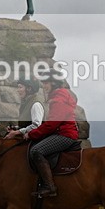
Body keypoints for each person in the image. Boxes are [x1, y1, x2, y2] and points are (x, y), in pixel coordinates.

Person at [23, 69, 79, 198]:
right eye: (43, 82)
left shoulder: (58, 99)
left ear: (54, 83)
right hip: (61, 132)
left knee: (36, 151)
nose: (44, 85)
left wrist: (31, 134)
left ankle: (49, 186)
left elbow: (52, 124)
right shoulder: (58, 97)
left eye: (46, 82)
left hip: (65, 135)